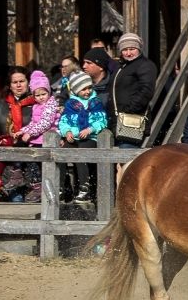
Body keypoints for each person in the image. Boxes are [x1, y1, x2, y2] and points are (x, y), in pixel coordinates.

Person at [0, 66, 40, 202]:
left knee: (34, 205)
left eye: (22, 81)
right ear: (10, 85)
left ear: (28, 82)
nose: (19, 85)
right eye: (15, 82)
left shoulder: (37, 104)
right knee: (16, 201)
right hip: (8, 162)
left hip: (32, 160)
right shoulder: (1, 104)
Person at [58, 71, 108, 203]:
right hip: (74, 137)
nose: (87, 92)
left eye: (89, 88)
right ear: (75, 90)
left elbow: (102, 120)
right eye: (83, 89)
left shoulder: (95, 103)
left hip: (90, 137)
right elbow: (63, 121)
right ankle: (61, 187)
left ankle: (84, 188)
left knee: (81, 154)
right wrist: (66, 132)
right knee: (60, 153)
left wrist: (90, 129)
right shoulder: (70, 105)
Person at [105, 32, 157, 149]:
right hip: (116, 121)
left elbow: (146, 90)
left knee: (127, 157)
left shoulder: (145, 65)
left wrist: (129, 110)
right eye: (125, 50)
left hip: (131, 121)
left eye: (132, 49)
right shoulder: (121, 67)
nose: (128, 53)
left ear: (138, 49)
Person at [14, 70, 63, 148]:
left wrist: (30, 133)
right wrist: (23, 131)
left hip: (48, 138)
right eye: (37, 95)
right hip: (38, 136)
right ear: (34, 97)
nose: (41, 97)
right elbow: (33, 123)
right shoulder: (36, 106)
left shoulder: (50, 105)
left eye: (44, 94)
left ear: (49, 92)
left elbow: (45, 123)